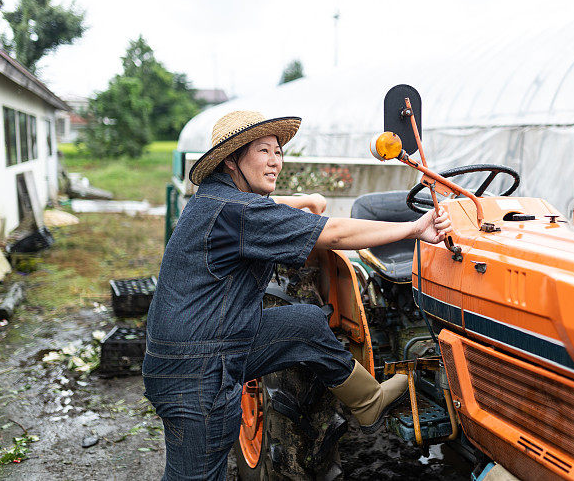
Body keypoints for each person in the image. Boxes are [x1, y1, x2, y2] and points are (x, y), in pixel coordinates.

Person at [143, 110, 451, 480]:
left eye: (278, 151)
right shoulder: (236, 211)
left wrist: (299, 201)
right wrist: (414, 228)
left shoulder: (215, 201)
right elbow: (334, 233)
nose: (275, 161)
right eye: (262, 151)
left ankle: (367, 400)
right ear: (230, 159)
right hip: (195, 373)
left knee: (303, 323)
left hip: (211, 345)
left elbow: (257, 212)